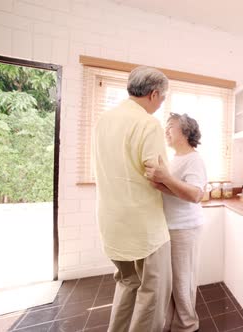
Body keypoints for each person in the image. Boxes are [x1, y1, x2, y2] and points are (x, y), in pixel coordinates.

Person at [93, 66, 172, 332]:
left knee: (127, 283)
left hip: (111, 222)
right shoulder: (148, 123)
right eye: (162, 99)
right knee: (151, 292)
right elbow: (158, 176)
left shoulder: (104, 119)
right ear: (153, 94)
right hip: (143, 227)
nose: (161, 105)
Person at [144, 113, 207, 332]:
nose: (166, 130)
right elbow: (174, 191)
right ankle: (174, 324)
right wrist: (159, 182)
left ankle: (187, 325)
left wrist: (166, 179)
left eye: (171, 126)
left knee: (182, 280)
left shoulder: (194, 159)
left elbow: (196, 195)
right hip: (171, 226)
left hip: (186, 227)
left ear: (186, 132)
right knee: (172, 281)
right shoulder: (174, 159)